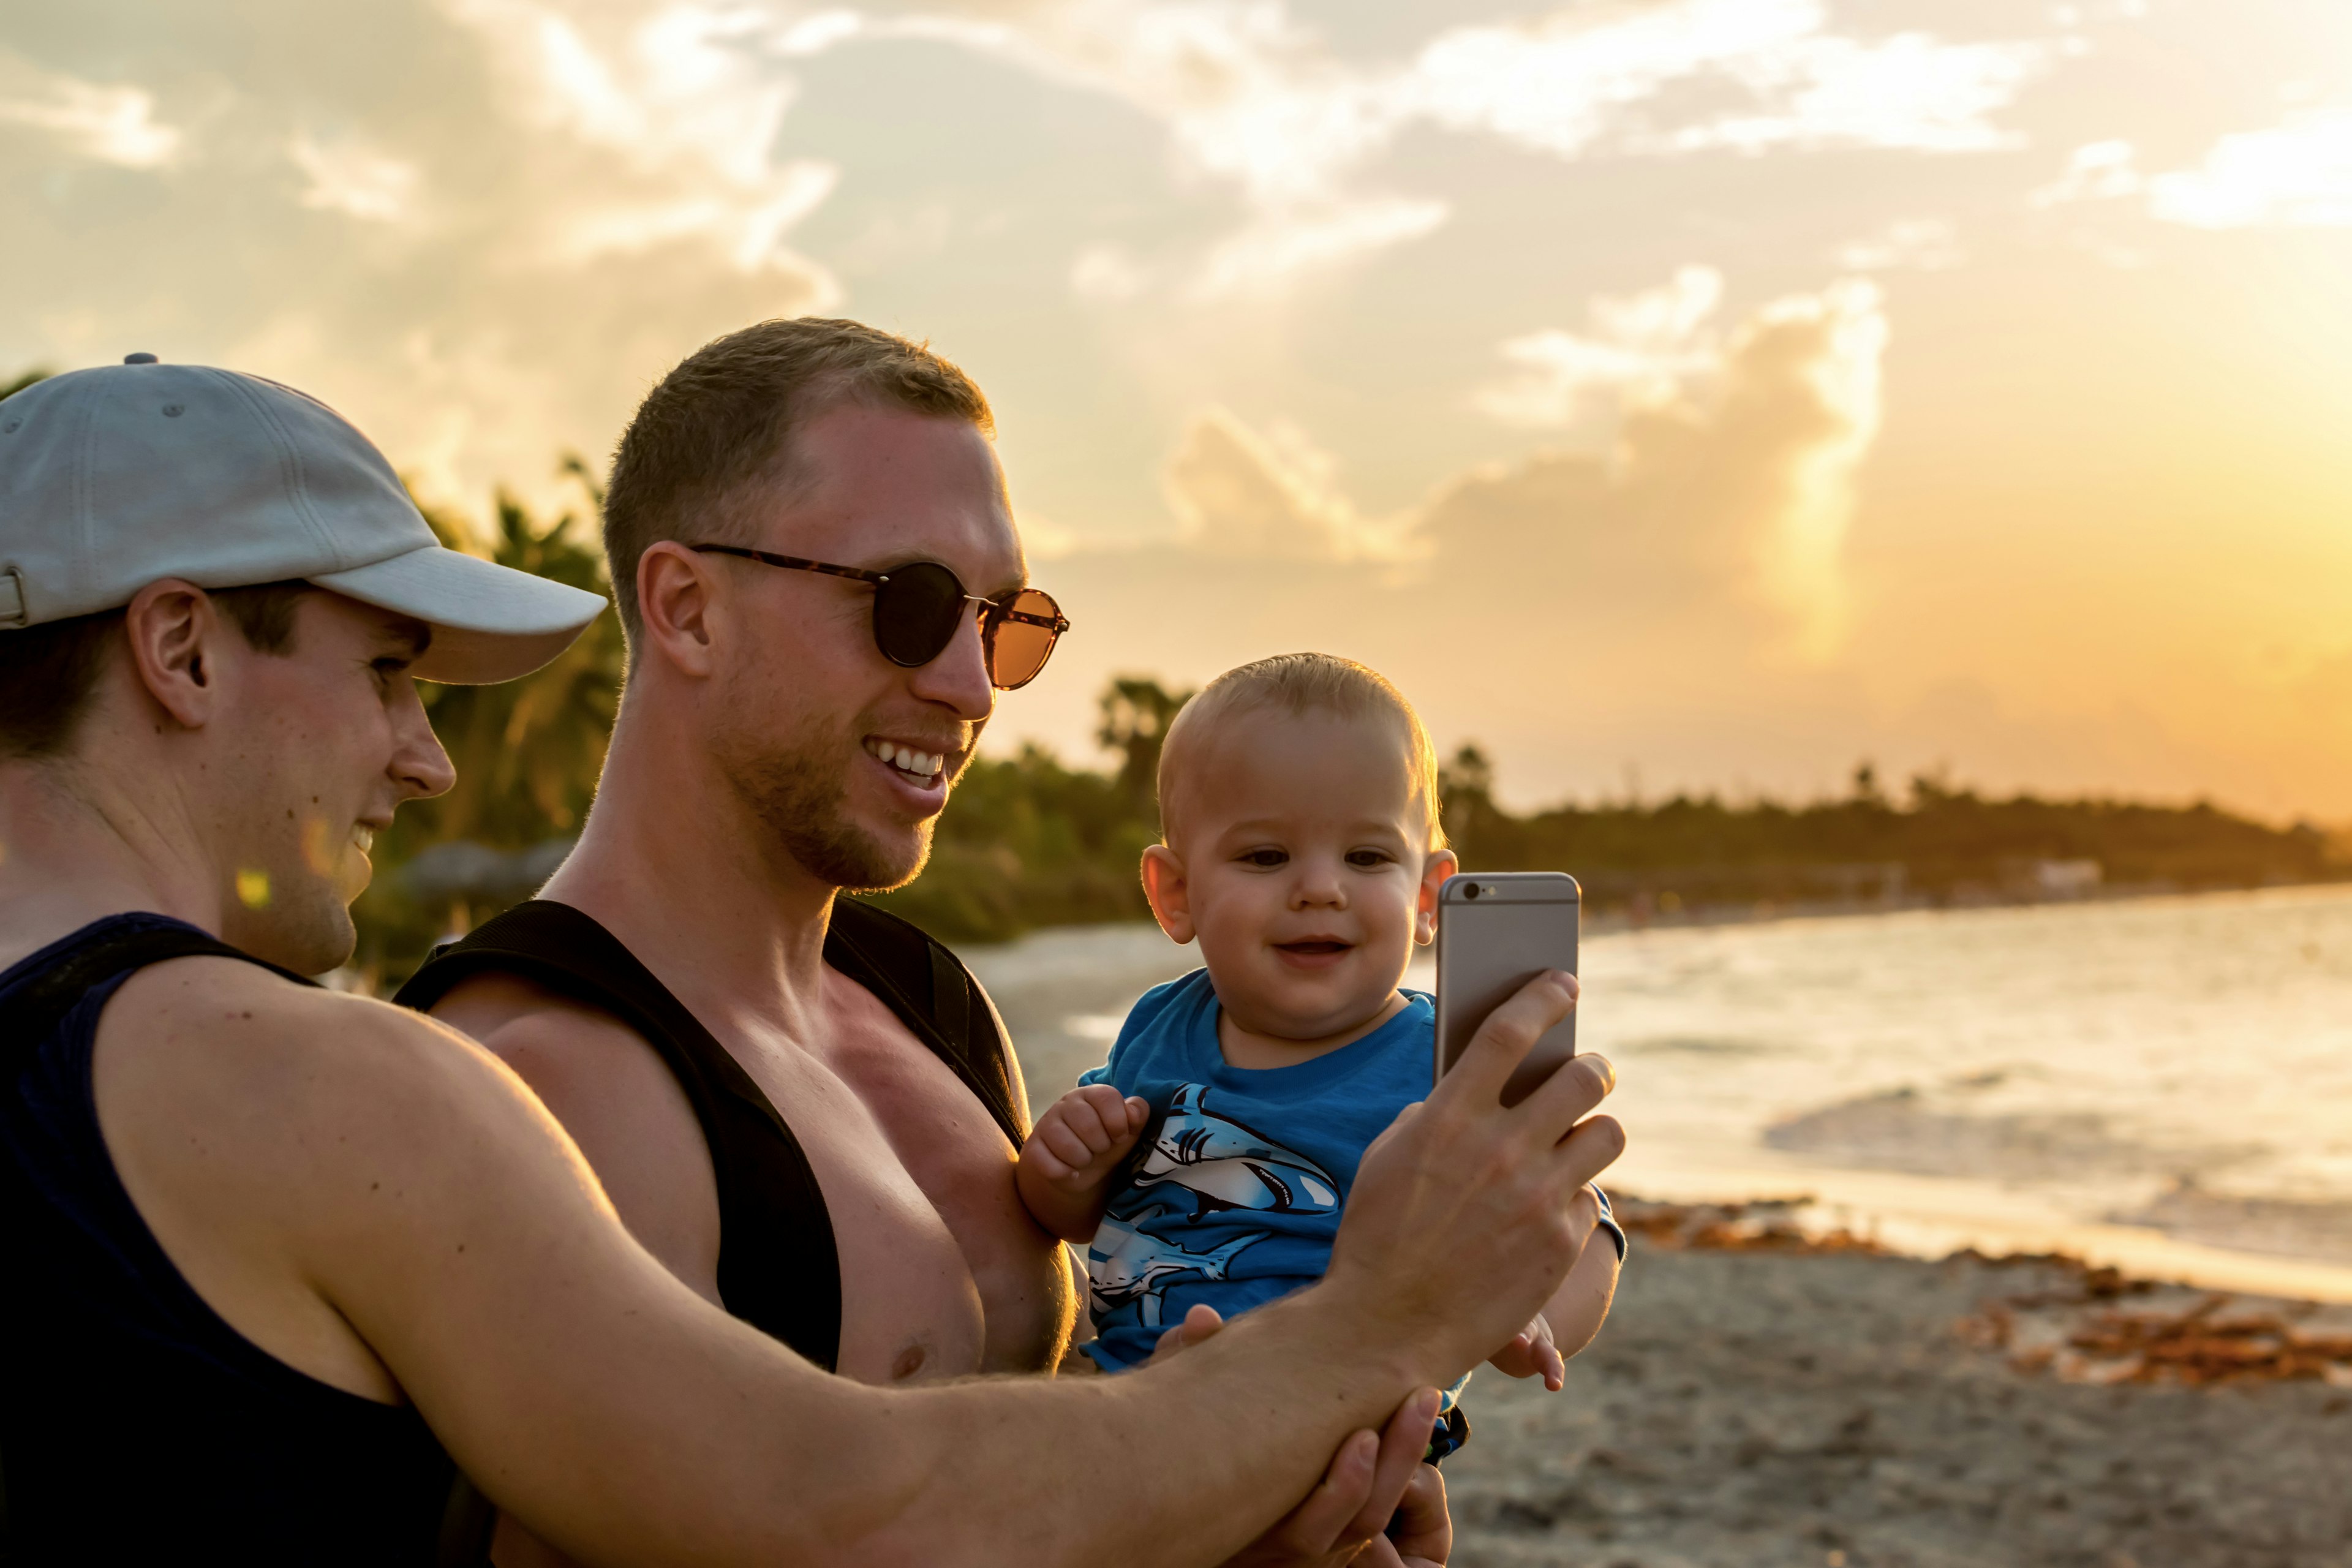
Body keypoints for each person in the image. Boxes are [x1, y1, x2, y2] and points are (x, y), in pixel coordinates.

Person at [0, 352, 1626, 1566]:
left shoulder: (925, 1006)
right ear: (180, 649)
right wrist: (1372, 1322)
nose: (977, 687)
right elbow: (840, 1516)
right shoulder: (451, 1080)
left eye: (1008, 623)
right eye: (911, 602)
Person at [1018, 654, 1627, 1462]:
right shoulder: (1159, 1029)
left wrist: (1533, 1311)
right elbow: (1071, 1218)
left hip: (1342, 1431)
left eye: (1367, 858)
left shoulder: (1453, 1067)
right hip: (1132, 1412)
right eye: (1266, 857)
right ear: (1177, 895)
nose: (1319, 889)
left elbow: (1585, 1227)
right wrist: (1064, 1168)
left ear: (1425, 897)